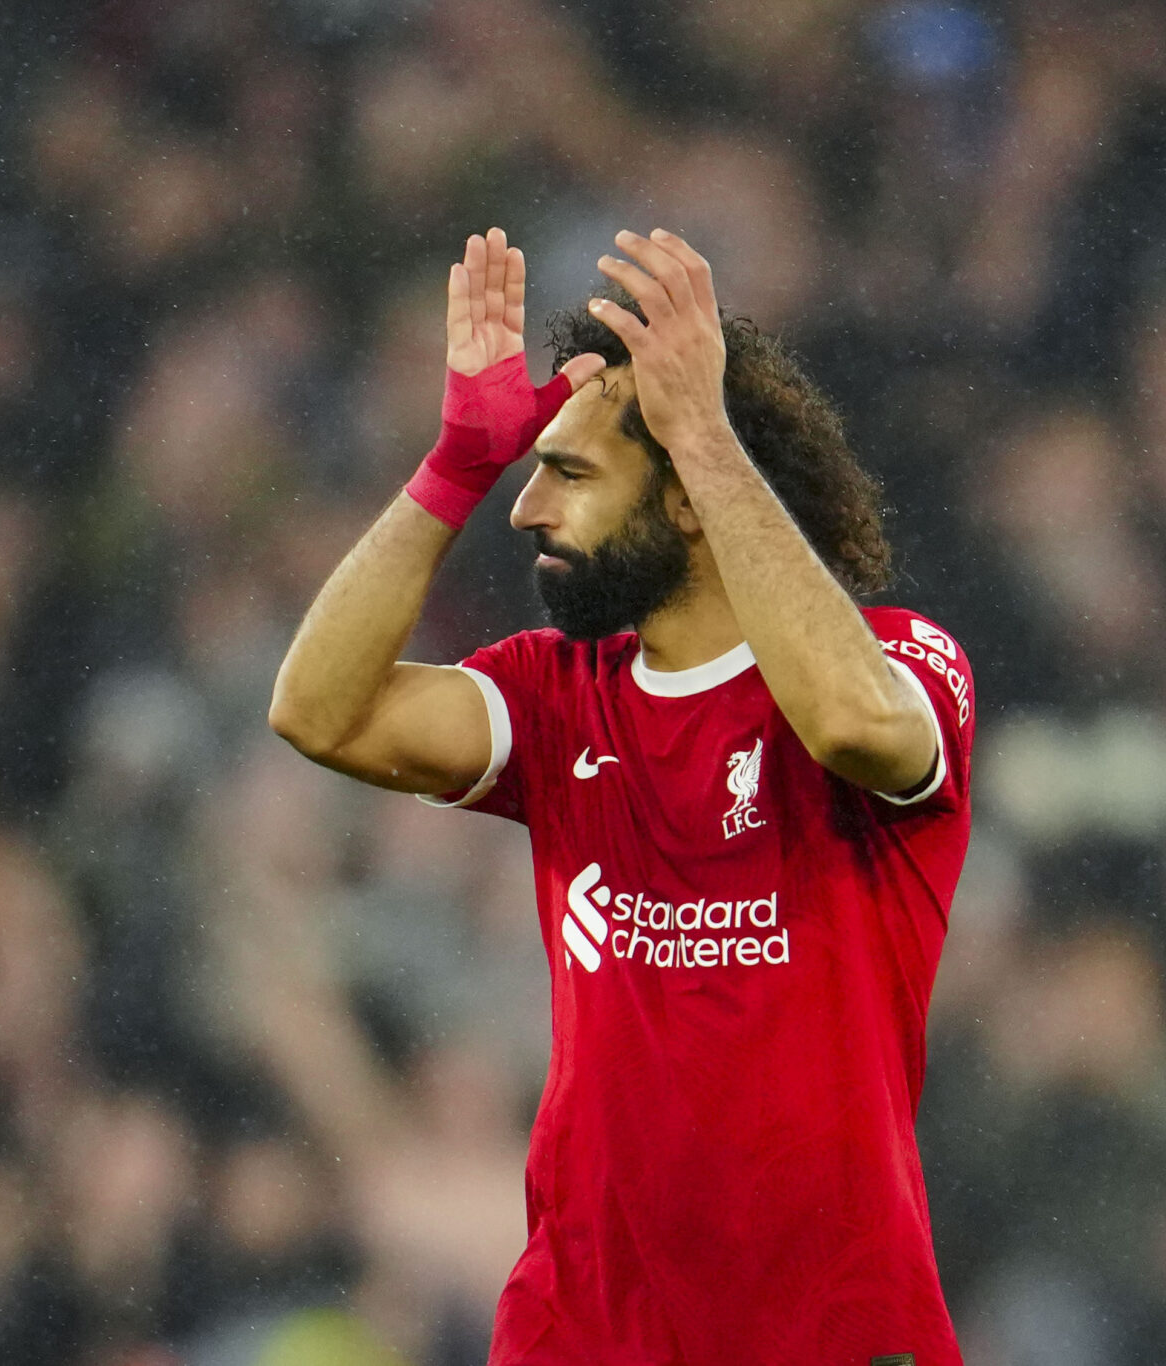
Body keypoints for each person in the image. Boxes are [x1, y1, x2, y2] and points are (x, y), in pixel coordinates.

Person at [269, 226, 973, 1365]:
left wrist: (704, 434)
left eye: (572, 473)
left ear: (689, 497)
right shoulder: (557, 695)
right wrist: (454, 468)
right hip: (582, 1326)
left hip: (829, 1327)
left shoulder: (899, 659)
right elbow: (319, 712)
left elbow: (852, 725)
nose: (527, 508)